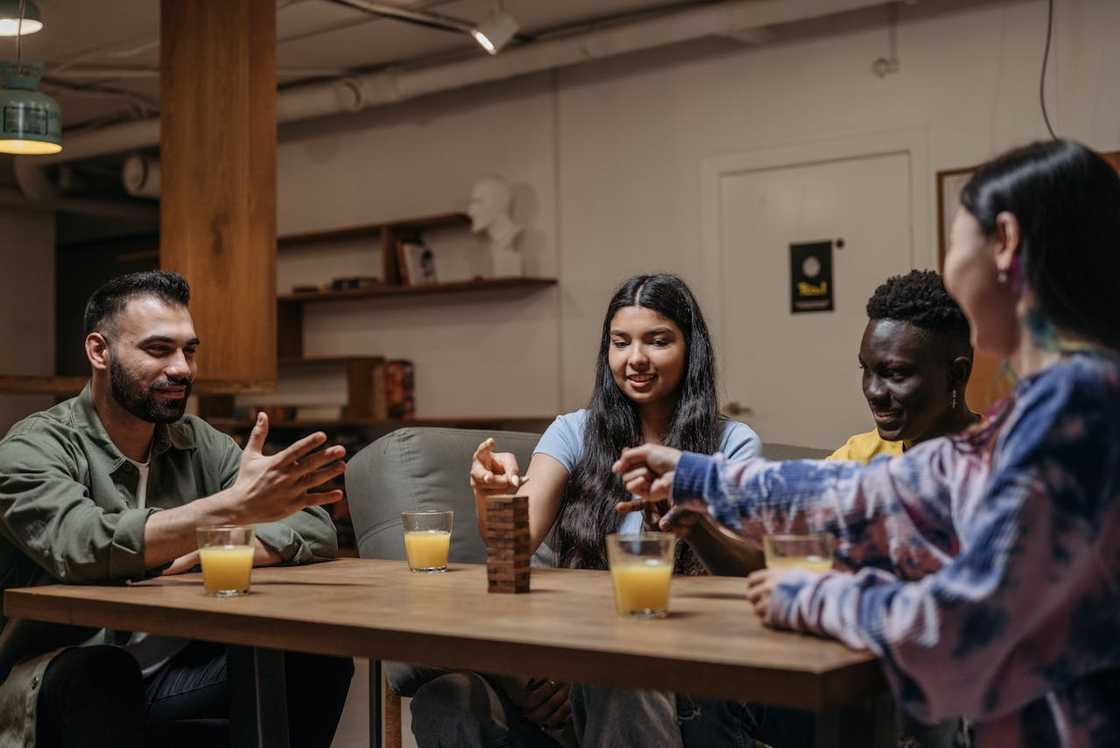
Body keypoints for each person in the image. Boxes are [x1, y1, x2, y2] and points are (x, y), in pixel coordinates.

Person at [614, 140, 1120, 746]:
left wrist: (817, 597)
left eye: (957, 239)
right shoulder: (1058, 400)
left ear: (1005, 240)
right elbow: (879, 491)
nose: (952, 262)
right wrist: (697, 476)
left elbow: (962, 628)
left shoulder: (1079, 404)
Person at [395, 274, 781, 747]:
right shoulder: (573, 433)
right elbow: (509, 550)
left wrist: (693, 523)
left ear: (690, 349)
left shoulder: (732, 444)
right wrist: (492, 496)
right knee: (447, 697)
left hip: (688, 679)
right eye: (621, 342)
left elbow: (746, 570)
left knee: (619, 667)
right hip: (580, 659)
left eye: (657, 341)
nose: (635, 358)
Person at [0, 271, 354, 748]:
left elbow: (313, 526)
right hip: (50, 674)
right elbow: (80, 544)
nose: (183, 368)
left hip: (169, 673)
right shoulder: (33, 447)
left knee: (317, 654)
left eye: (189, 350)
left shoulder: (198, 440)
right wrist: (232, 510)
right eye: (158, 349)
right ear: (99, 352)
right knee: (103, 671)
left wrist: (228, 545)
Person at [830, 269, 979, 463]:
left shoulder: (1010, 464)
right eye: (865, 369)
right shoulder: (856, 460)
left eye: (895, 373)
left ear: (956, 375)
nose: (873, 392)